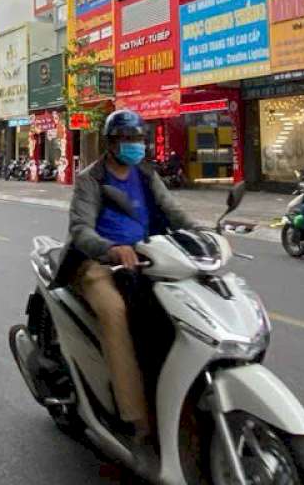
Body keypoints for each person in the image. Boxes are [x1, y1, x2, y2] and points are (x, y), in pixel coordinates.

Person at [56, 109, 193, 448]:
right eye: (127, 139)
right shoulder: (91, 178)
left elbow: (173, 211)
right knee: (115, 313)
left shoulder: (146, 174)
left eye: (138, 139)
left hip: (148, 257)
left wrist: (202, 233)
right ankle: (135, 419)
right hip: (96, 263)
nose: (135, 145)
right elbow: (81, 229)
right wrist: (110, 249)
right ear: (111, 143)